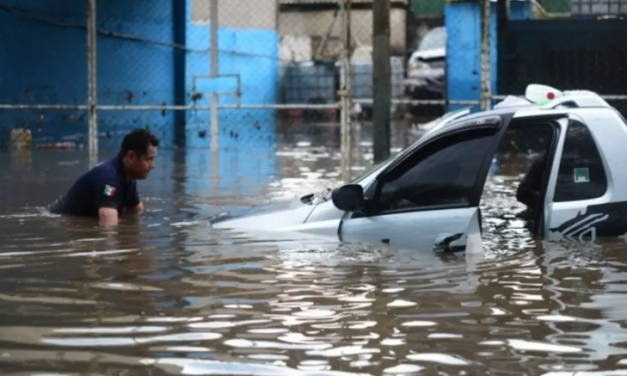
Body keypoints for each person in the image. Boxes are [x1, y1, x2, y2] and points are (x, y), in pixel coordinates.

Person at [46, 128, 159, 226]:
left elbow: (137, 212)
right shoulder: (108, 179)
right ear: (131, 156)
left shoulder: (128, 178)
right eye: (149, 160)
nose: (153, 166)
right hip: (54, 220)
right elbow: (109, 231)